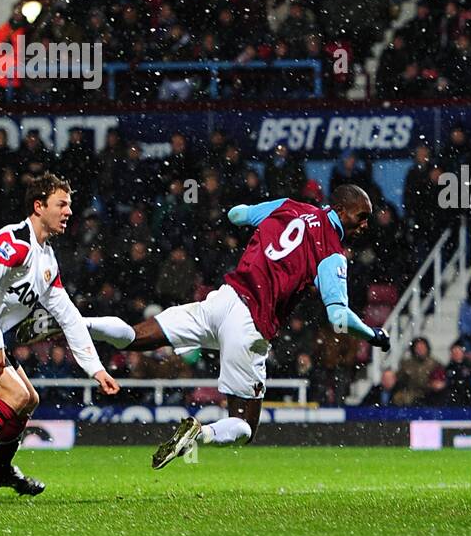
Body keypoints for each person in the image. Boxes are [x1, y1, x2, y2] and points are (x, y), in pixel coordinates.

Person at [45, 184, 389, 468]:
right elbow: (339, 317)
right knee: (244, 426)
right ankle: (200, 433)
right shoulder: (331, 251)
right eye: (361, 218)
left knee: (134, 337)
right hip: (251, 325)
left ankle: (73, 321)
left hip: (222, 300)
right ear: (342, 211)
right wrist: (374, 335)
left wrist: (265, 237)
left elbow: (236, 214)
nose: (364, 226)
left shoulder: (289, 206)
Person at [0, 173, 120, 503]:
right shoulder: (15, 242)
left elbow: (68, 316)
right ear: (38, 206)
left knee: (29, 399)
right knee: (15, 396)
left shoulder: (46, 260)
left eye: (70, 205)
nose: (68, 211)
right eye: (62, 204)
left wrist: (95, 369)